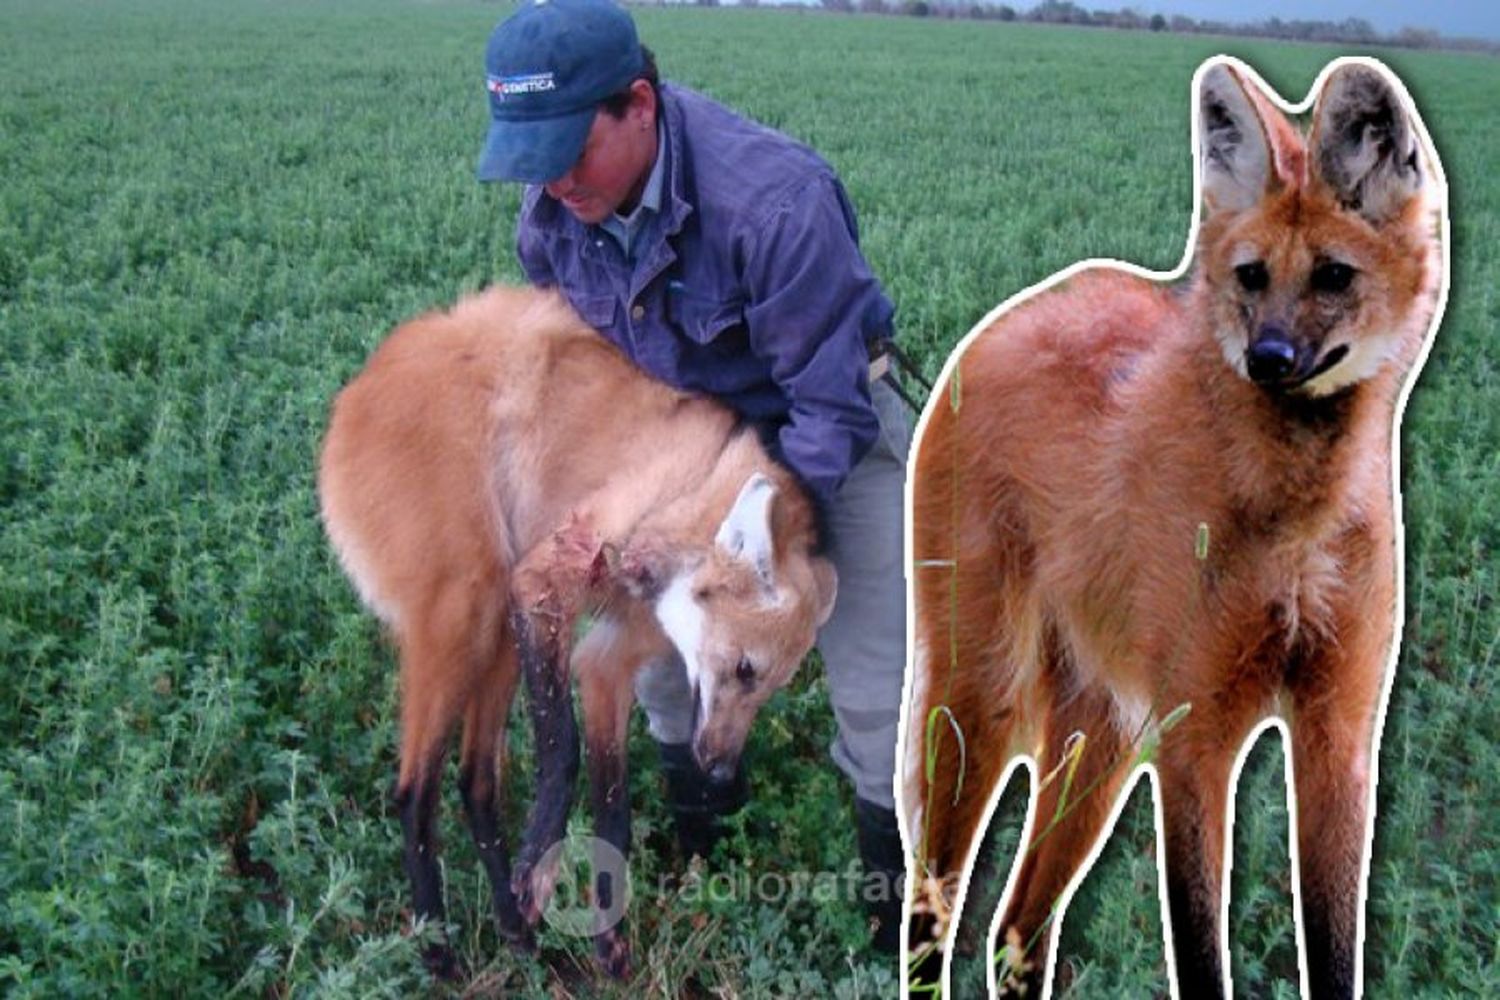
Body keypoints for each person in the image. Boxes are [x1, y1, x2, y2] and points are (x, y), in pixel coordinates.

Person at [476, 0, 909, 953]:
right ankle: (710, 853)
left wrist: (745, 542)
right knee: (661, 668)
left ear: (637, 104)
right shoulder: (556, 212)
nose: (553, 180)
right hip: (675, 443)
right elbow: (576, 368)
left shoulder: (776, 206)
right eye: (533, 158)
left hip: (817, 434)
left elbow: (829, 415)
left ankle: (897, 934)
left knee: (879, 687)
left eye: (570, 150)